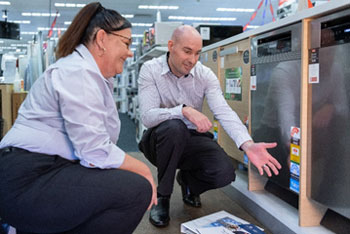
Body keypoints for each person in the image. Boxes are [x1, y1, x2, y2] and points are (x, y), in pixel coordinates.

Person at [0, 2, 157, 234]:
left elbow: (99, 148)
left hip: (39, 172)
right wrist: (143, 169)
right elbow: (94, 149)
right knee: (136, 189)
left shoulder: (88, 74)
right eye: (126, 43)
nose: (130, 52)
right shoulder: (78, 71)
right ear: (102, 39)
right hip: (25, 178)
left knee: (119, 179)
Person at [138, 25, 281, 227]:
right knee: (174, 127)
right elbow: (147, 117)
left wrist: (248, 145)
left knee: (224, 172)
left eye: (197, 53)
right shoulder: (150, 69)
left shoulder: (205, 75)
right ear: (171, 46)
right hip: (159, 140)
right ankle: (162, 198)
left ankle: (188, 182)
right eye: (187, 51)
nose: (192, 60)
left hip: (191, 139)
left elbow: (223, 111)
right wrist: (183, 110)